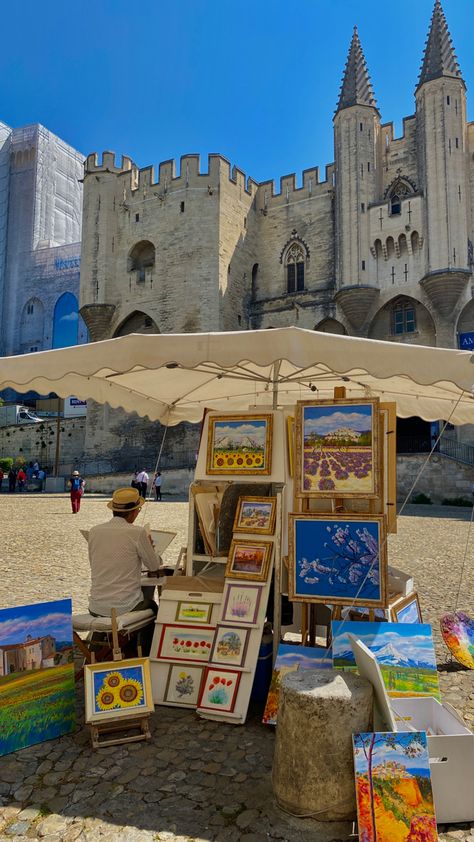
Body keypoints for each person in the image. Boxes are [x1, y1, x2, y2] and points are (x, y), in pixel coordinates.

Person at [87, 487, 159, 654]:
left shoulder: (95, 531)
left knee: (136, 603)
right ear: (134, 512)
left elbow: (95, 563)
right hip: (124, 606)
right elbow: (154, 566)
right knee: (153, 607)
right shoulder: (137, 532)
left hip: (96, 605)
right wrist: (150, 546)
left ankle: (99, 652)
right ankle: (142, 656)